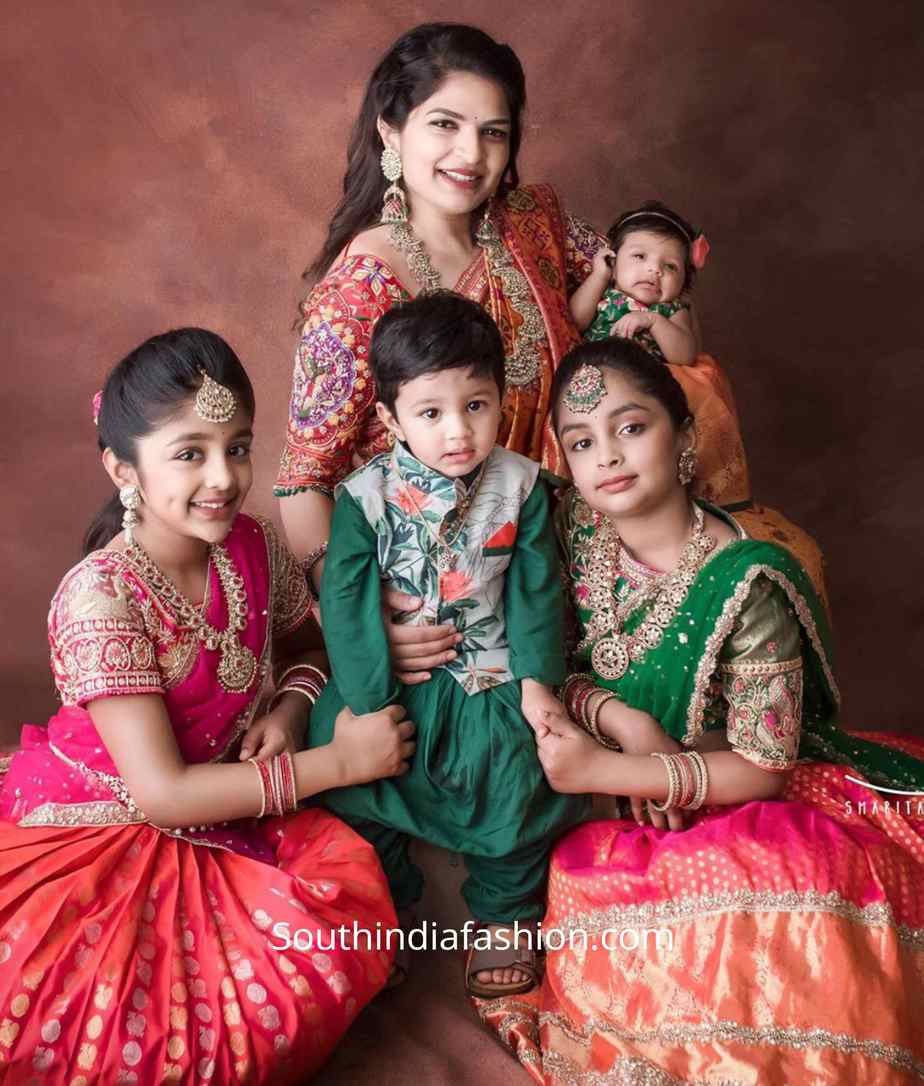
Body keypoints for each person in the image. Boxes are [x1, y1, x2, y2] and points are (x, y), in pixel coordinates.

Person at [477, 338, 924, 1084]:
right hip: (609, 785)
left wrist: (628, 768)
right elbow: (550, 656)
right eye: (582, 441)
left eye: (632, 426)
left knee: (768, 899)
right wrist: (620, 718)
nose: (607, 457)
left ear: (684, 438)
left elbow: (762, 770)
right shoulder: (568, 530)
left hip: (733, 796)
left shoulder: (750, 581)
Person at [0, 329, 417, 1085]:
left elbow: (309, 652)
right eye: (190, 453)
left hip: (230, 799)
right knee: (162, 1033)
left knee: (344, 920)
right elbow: (162, 794)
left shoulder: (249, 546)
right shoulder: (102, 596)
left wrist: (290, 712)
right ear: (122, 469)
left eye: (238, 446)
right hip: (109, 828)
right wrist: (339, 761)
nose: (223, 477)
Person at [275, 21, 599, 680]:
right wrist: (360, 610)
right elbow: (301, 482)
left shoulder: (535, 225)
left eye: (494, 132)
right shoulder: (360, 290)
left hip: (576, 576)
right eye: (445, 125)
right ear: (392, 133)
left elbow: (630, 275)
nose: (471, 154)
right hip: (444, 614)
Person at [307, 293, 587, 997]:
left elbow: (535, 591)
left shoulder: (522, 486)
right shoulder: (363, 497)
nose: (457, 431)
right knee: (348, 771)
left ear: (501, 401)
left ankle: (502, 912)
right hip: (390, 671)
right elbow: (344, 601)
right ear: (390, 419)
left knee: (522, 773)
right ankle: (389, 898)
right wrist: (368, 698)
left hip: (488, 669)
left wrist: (537, 685)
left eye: (477, 406)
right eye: (430, 413)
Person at [569, 199, 705, 364]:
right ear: (613, 261)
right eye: (640, 256)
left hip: (645, 382)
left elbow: (685, 357)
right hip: (594, 374)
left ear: (683, 282)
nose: (655, 269)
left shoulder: (671, 309)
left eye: (670, 266)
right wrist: (599, 276)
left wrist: (652, 320)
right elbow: (574, 322)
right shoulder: (604, 291)